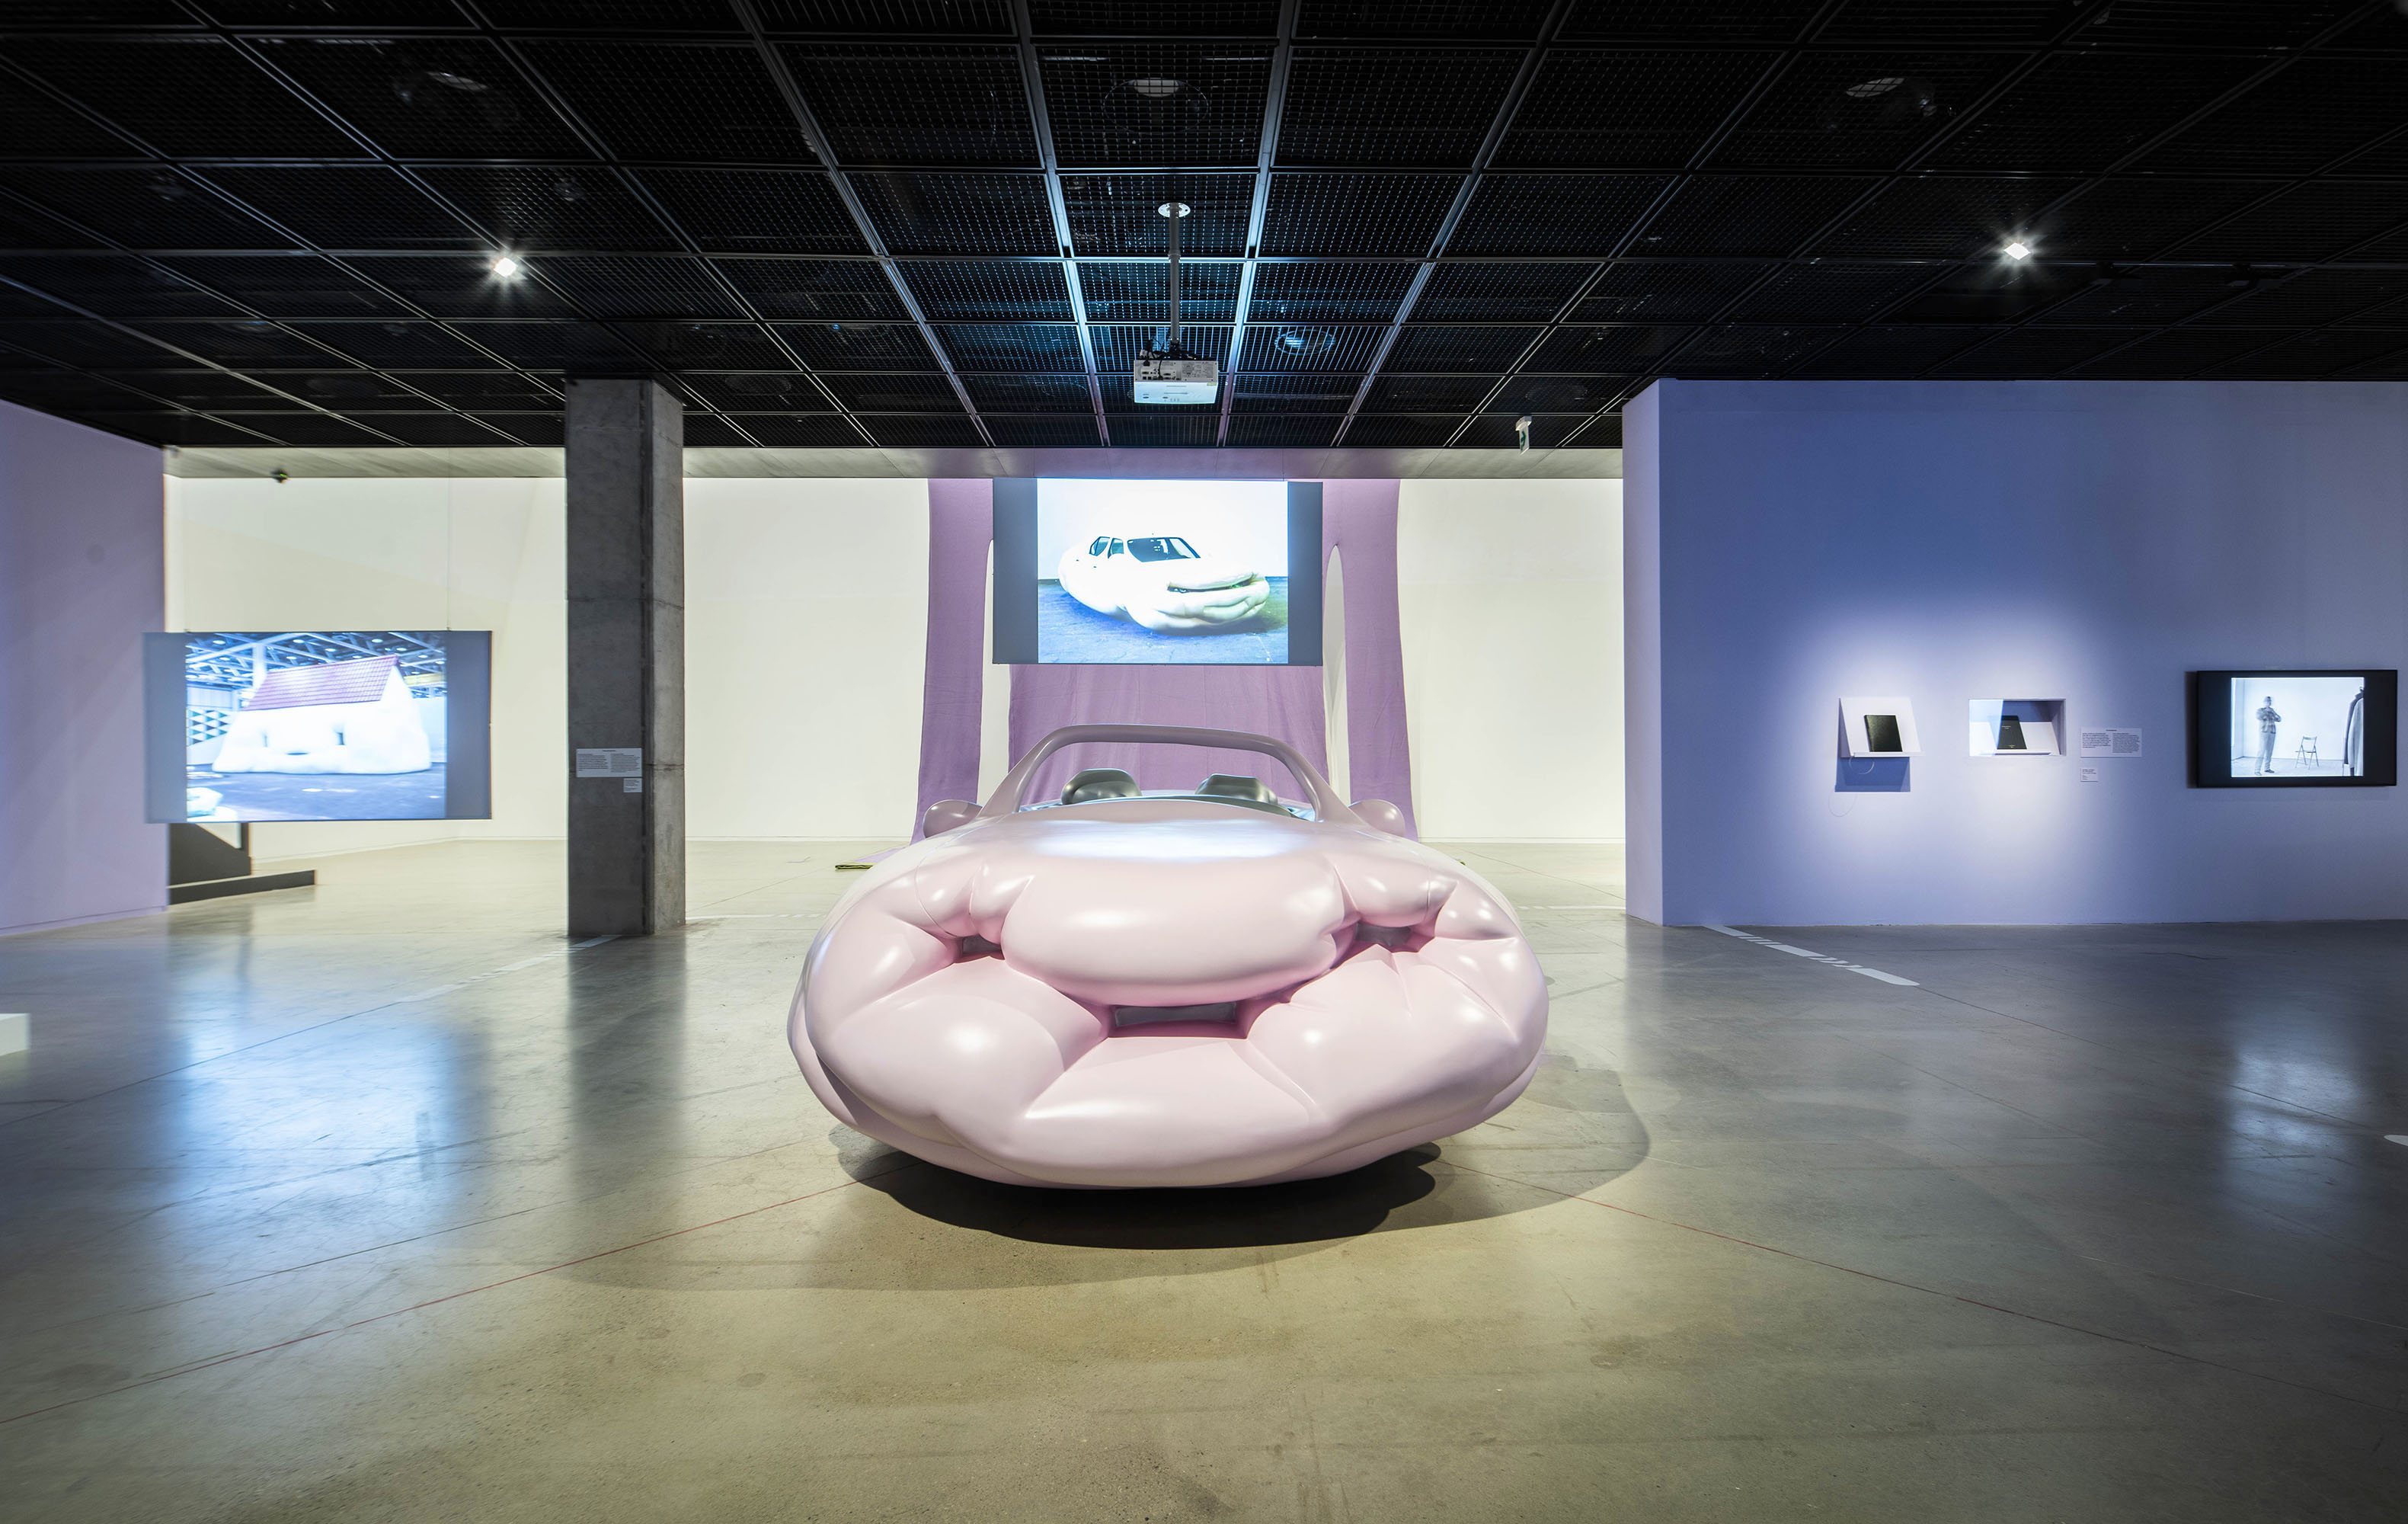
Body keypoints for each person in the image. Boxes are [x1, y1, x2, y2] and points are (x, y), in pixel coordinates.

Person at [2256, 696, 2281, 775]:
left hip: (2272, 732)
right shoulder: (2260, 710)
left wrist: (2273, 713)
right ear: (2264, 702)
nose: (2269, 703)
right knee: (2261, 751)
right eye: (2267, 701)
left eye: (2270, 702)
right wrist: (2268, 712)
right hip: (2264, 732)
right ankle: (2257, 770)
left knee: (2269, 751)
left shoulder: (2272, 711)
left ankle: (2267, 768)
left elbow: (2279, 719)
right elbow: (2259, 717)